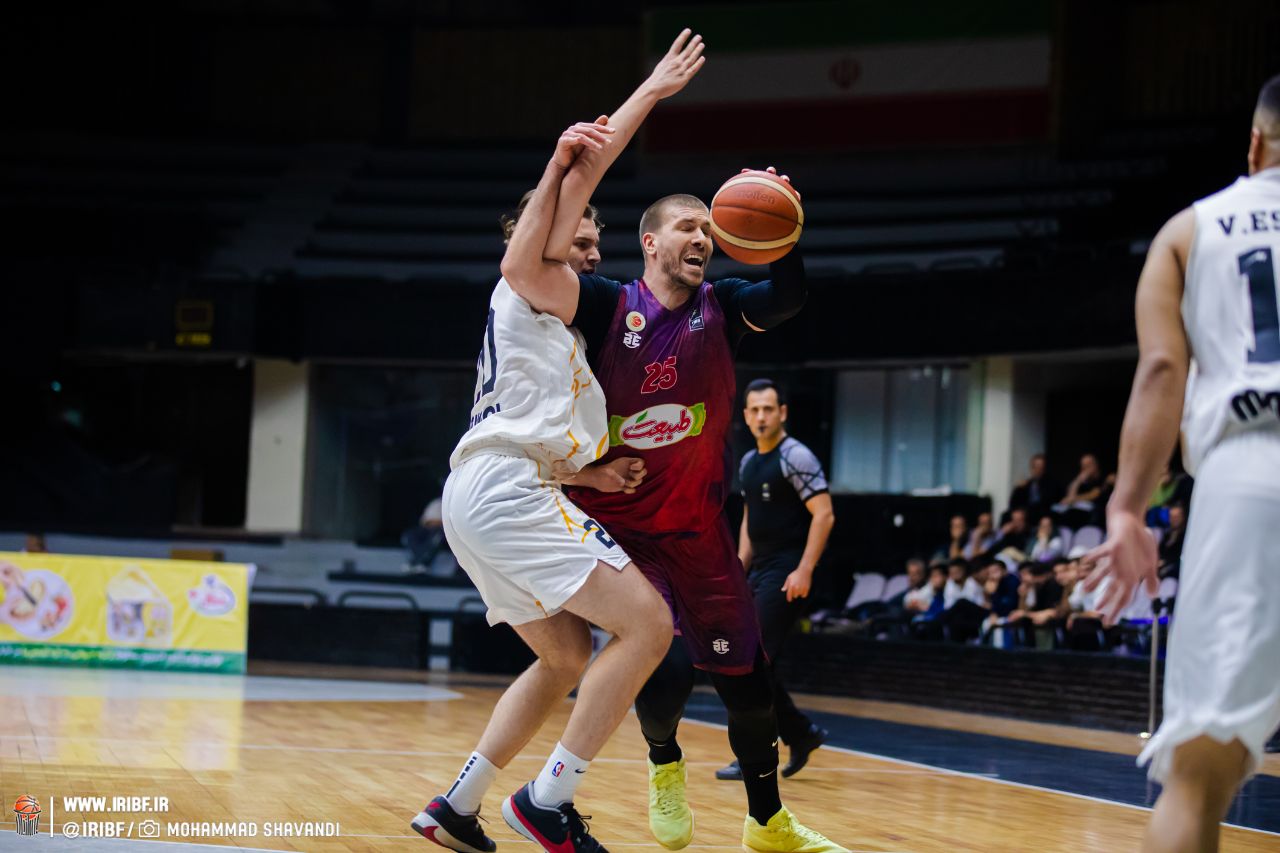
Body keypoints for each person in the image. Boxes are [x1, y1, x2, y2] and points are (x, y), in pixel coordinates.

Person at [410, 34, 705, 853]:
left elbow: (544, 428)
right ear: (539, 235)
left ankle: (457, 804)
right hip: (505, 489)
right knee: (648, 626)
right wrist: (648, 93)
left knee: (568, 654)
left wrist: (594, 473)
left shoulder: (558, 328)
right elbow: (577, 179)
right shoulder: (522, 284)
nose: (593, 252)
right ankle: (547, 801)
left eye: (598, 244)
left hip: (490, 491)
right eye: (580, 241)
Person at [1081, 74, 1280, 853]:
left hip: (1251, 478)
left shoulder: (1192, 231)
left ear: (1255, 144)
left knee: (1198, 777)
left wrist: (1127, 507)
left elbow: (1164, 367)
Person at [714, 378, 833, 783]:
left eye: (769, 409)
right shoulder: (749, 462)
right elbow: (751, 519)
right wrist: (738, 566)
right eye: (755, 410)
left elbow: (824, 514)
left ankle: (755, 752)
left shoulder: (796, 456)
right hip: (760, 569)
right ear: (746, 416)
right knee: (748, 662)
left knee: (747, 660)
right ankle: (800, 733)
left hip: (787, 572)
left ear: (782, 413)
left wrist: (805, 569)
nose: (762, 416)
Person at [1008, 453, 1061, 522]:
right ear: (1031, 468)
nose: (1037, 470)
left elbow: (1049, 501)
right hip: (1026, 513)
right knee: (1006, 515)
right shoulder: (1026, 484)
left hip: (1043, 512)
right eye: (1035, 467)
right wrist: (1018, 488)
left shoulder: (1052, 484)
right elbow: (1013, 503)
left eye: (1040, 467)